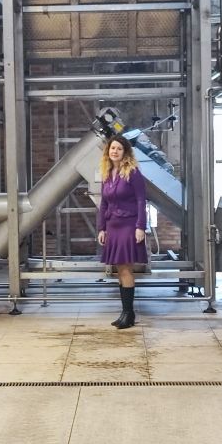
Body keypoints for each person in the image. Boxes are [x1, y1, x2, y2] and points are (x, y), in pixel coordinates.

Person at [96, 135, 148, 330]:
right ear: (108, 151)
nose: (115, 151)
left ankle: (128, 313)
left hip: (128, 225)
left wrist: (140, 226)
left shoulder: (133, 173)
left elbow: (141, 200)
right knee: (119, 269)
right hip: (113, 226)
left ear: (125, 152)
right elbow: (104, 203)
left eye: (119, 148)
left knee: (125, 269)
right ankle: (126, 313)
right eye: (112, 148)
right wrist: (101, 228)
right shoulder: (107, 174)